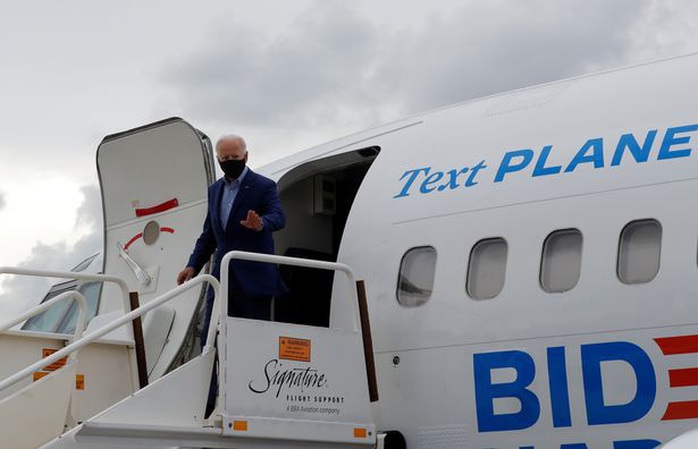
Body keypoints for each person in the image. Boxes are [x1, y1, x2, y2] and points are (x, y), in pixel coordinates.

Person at [177, 134, 286, 339]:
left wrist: (260, 224)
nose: (230, 162)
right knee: (212, 336)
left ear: (245, 156)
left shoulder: (264, 186)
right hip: (223, 277)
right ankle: (214, 373)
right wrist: (192, 265)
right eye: (225, 159)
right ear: (218, 160)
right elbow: (209, 235)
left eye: (235, 157)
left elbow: (279, 217)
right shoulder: (214, 190)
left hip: (254, 279)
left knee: (252, 340)